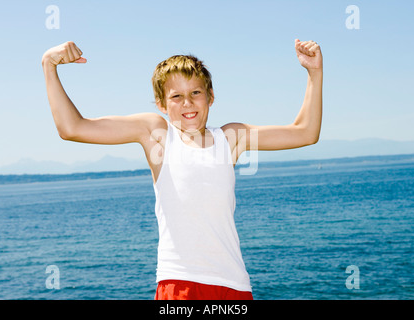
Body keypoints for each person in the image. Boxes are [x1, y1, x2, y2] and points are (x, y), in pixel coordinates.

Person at [41, 39, 323, 300]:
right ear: (162, 104)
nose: (187, 103)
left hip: (234, 285)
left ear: (210, 96)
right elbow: (72, 128)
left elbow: (305, 133)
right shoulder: (157, 133)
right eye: (176, 96)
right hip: (179, 284)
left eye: (195, 93)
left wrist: (314, 73)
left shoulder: (231, 139)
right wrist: (49, 65)